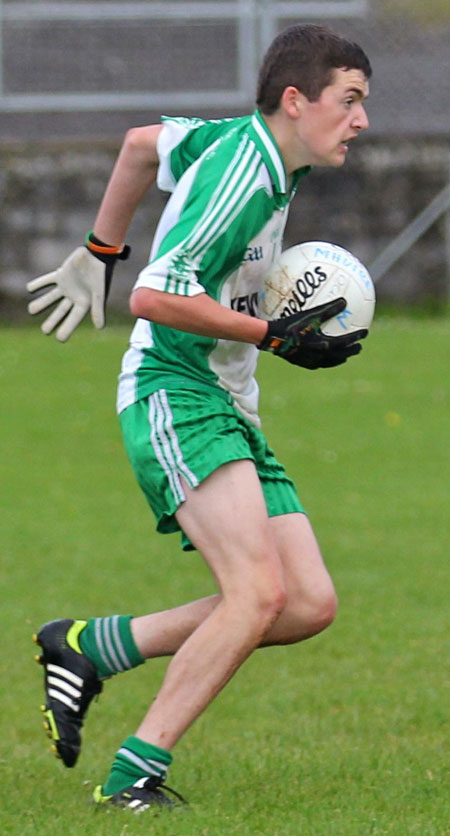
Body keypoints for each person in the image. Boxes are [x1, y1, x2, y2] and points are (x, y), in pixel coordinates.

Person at [28, 23, 371, 812]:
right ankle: (132, 780)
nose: (360, 121)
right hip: (173, 391)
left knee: (306, 602)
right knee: (254, 593)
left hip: (223, 401)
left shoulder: (246, 144)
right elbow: (155, 296)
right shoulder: (243, 177)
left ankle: (88, 647)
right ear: (297, 100)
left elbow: (141, 144)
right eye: (348, 101)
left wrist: (97, 246)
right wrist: (273, 334)